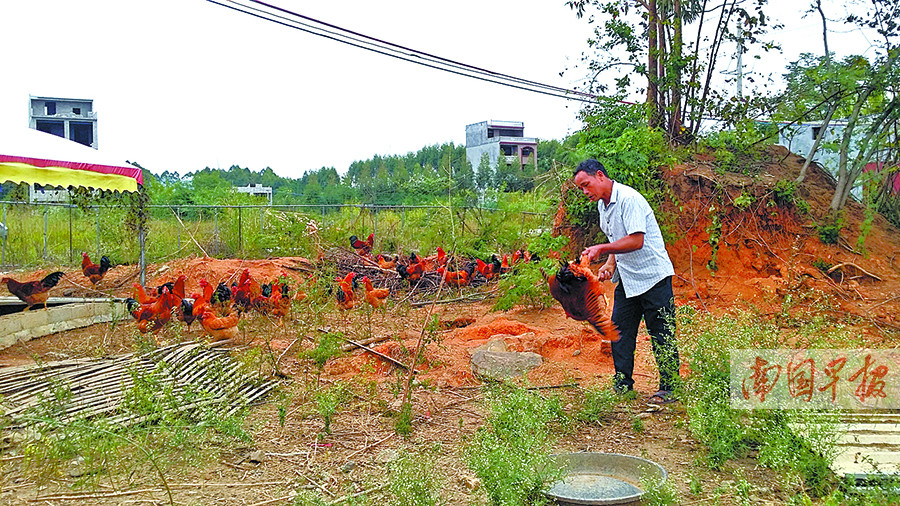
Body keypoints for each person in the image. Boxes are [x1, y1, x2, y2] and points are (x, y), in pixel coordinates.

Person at [574, 158, 680, 403]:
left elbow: (636, 240)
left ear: (600, 175)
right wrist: (610, 264)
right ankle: (623, 384)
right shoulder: (603, 206)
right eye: (581, 188)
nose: (585, 192)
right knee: (619, 331)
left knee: (661, 332)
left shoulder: (629, 199)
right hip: (629, 278)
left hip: (653, 275)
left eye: (586, 185)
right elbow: (617, 238)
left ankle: (670, 387)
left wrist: (601, 249)